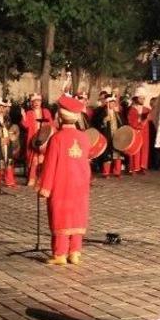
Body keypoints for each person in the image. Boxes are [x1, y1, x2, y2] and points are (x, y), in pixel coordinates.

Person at [37, 94, 92, 265]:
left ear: (60, 117)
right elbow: (86, 161)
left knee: (61, 216)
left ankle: (60, 254)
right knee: (77, 215)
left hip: (62, 184)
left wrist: (44, 188)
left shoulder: (57, 138)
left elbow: (50, 165)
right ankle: (75, 252)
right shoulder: (84, 137)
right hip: (80, 183)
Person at [22, 93, 53, 185]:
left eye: (38, 101)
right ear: (31, 103)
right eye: (34, 101)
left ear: (41, 102)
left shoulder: (46, 111)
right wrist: (23, 116)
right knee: (34, 159)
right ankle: (32, 178)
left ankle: (43, 179)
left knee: (44, 159)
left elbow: (50, 124)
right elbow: (26, 125)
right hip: (33, 139)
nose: (36, 103)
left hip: (45, 138)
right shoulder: (29, 113)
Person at [93, 95, 125, 178]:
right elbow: (97, 124)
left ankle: (117, 172)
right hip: (107, 136)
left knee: (117, 154)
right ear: (107, 103)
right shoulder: (102, 113)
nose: (113, 104)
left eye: (114, 103)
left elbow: (122, 124)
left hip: (116, 136)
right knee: (107, 155)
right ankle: (106, 172)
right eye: (111, 103)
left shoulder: (117, 114)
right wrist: (104, 121)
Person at [126, 86, 151, 174]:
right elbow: (131, 122)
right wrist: (142, 122)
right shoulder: (132, 110)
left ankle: (142, 166)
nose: (143, 100)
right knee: (135, 149)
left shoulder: (146, 109)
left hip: (144, 133)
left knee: (144, 149)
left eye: (144, 98)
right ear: (137, 98)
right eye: (141, 98)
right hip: (136, 132)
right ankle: (134, 168)